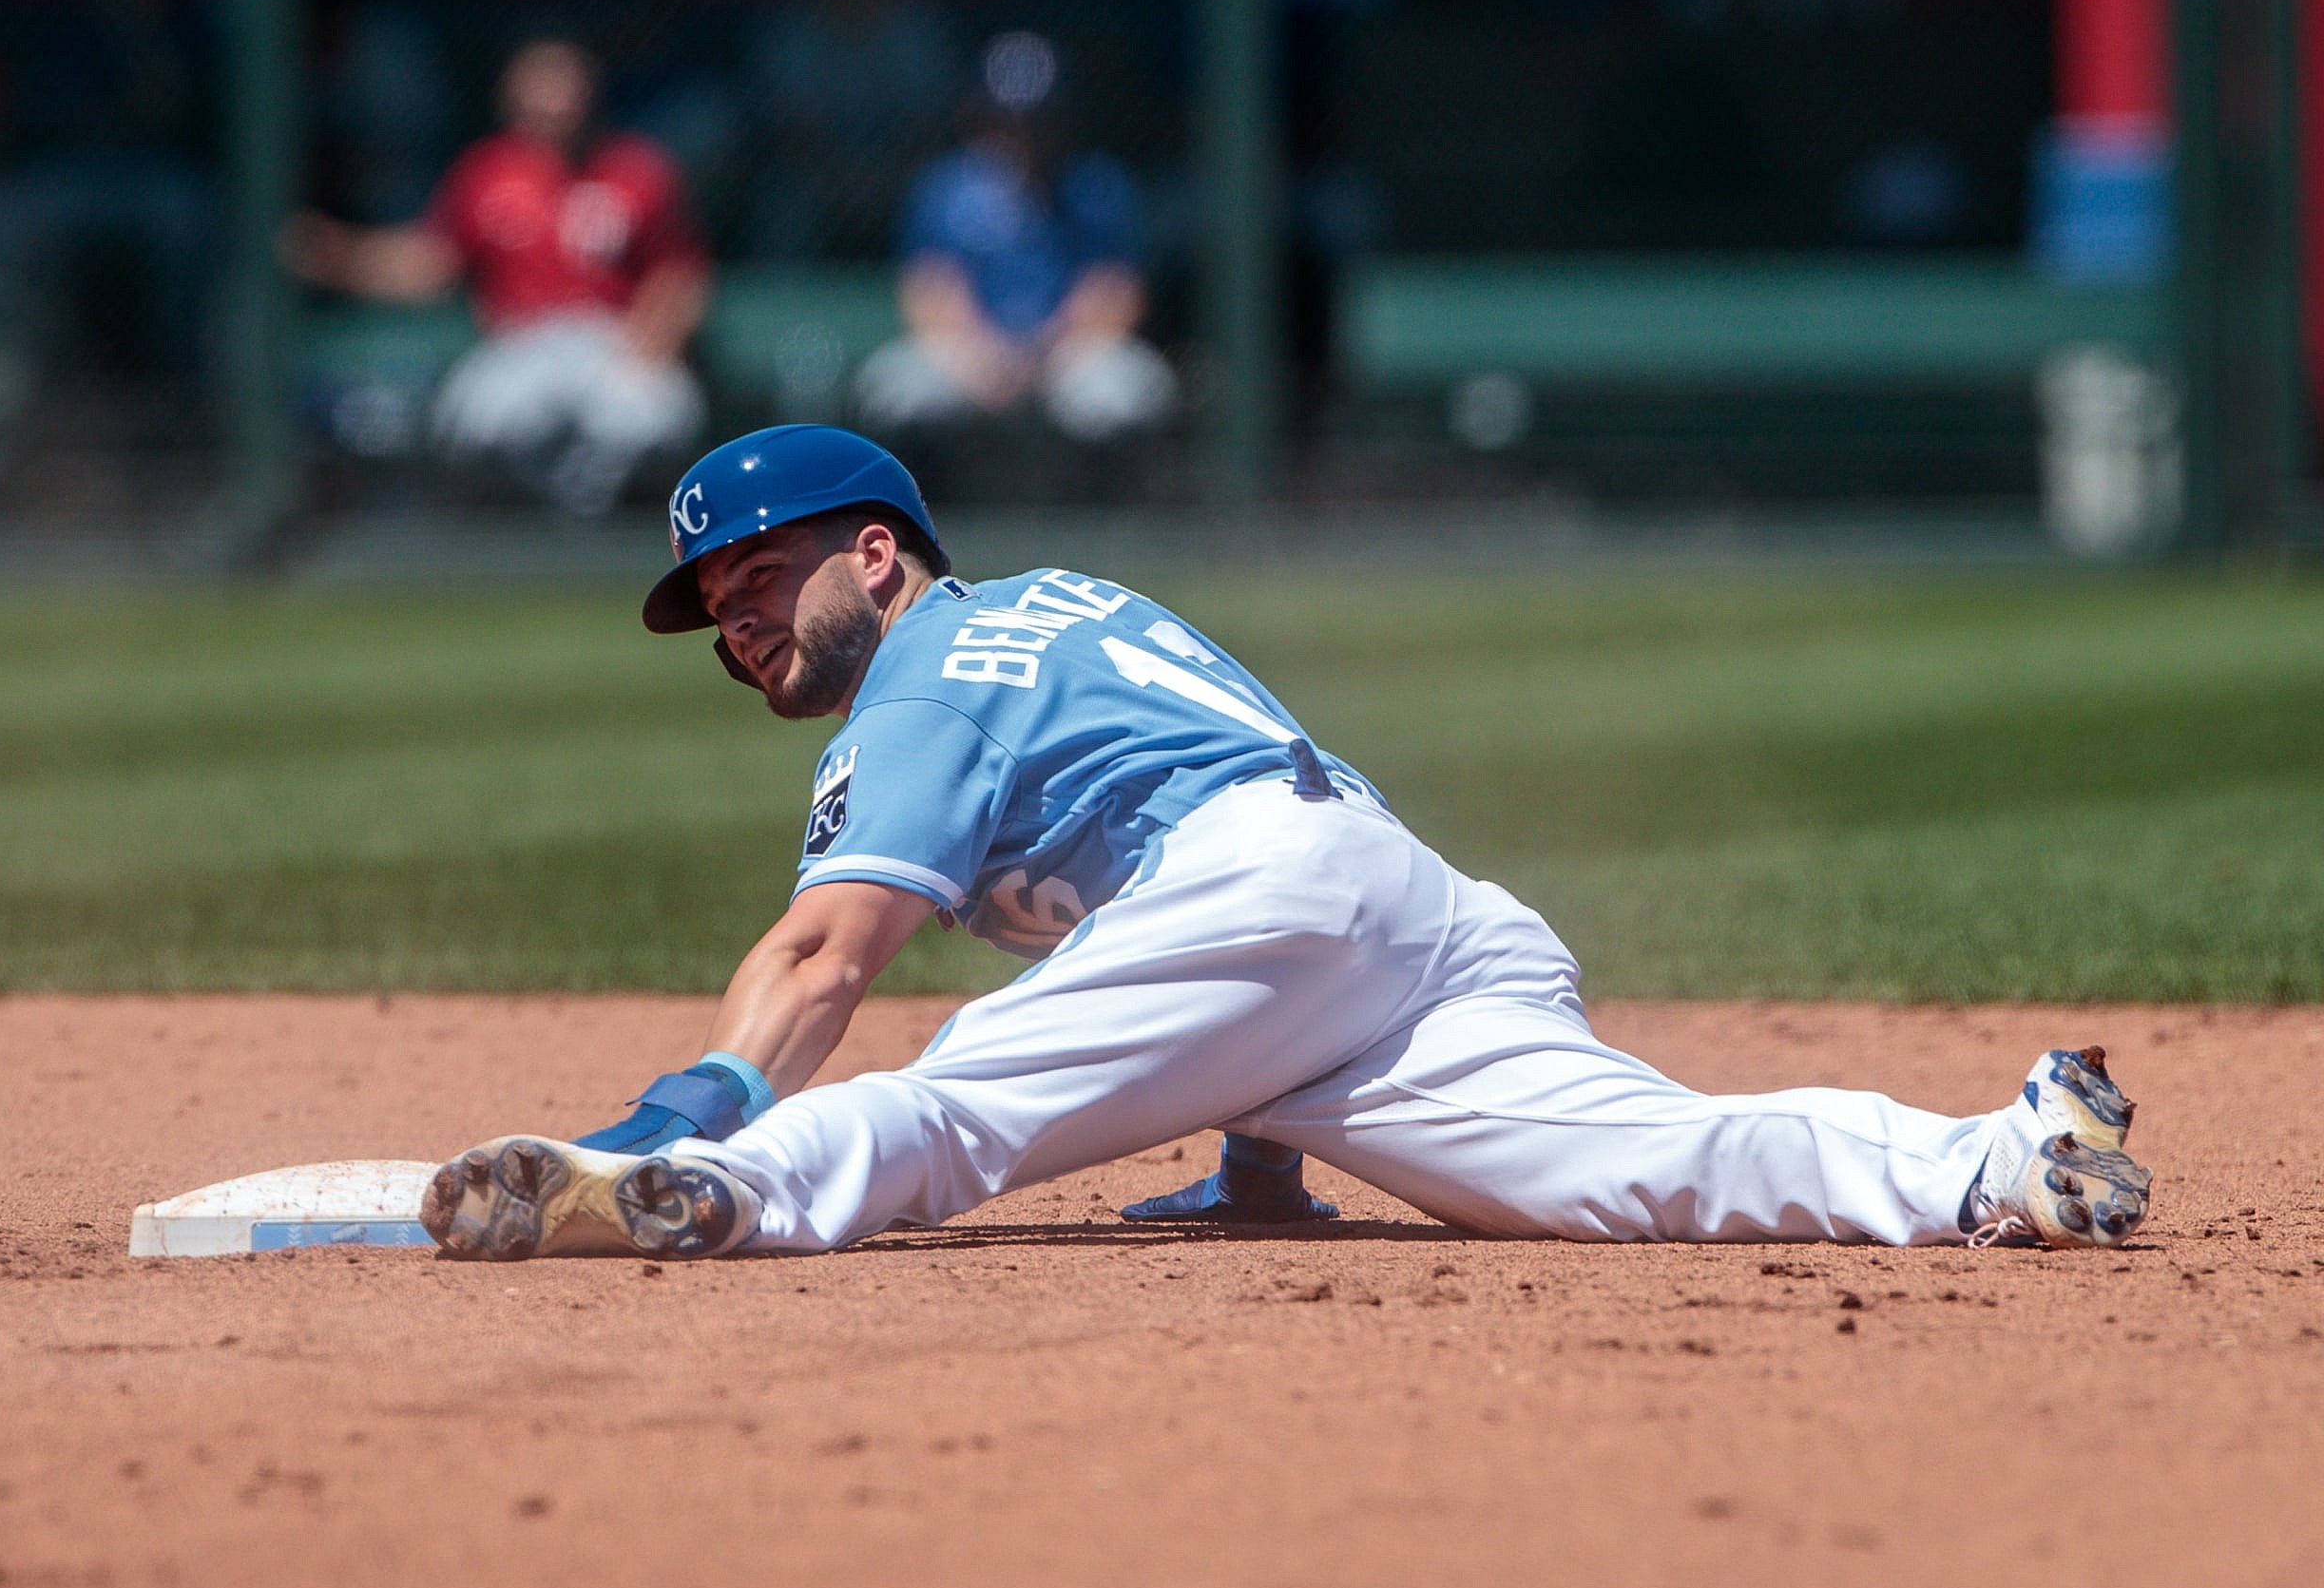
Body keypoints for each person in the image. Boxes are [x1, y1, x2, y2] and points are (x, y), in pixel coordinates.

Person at [418, 425, 2154, 1262]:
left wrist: (676, 1114)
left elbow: (823, 953)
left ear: (878, 554)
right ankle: (1999, 1159)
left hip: (1274, 893)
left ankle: (697, 1196)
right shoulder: (1060, 605)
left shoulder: (932, 676)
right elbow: (1224, 915)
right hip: (1401, 911)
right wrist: (1257, 1163)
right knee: (1651, 1166)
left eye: (759, 575)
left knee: (952, 1103)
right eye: (714, 605)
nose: (736, 620)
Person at [284, 39, 710, 516]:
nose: (553, 109)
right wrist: (341, 255)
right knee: (477, 421)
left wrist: (652, 346)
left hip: (611, 338)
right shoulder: (486, 172)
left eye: (564, 93)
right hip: (521, 342)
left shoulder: (637, 168)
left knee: (652, 420)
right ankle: (530, 524)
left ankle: (597, 520)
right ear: (512, 102)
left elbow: (678, 274)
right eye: (538, 97)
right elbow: (431, 264)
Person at [853, 34, 1177, 446]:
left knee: (1125, 391)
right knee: (898, 388)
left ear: (1063, 120)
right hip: (969, 352)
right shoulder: (946, 189)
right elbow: (928, 292)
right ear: (978, 119)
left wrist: (1046, 353)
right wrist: (984, 359)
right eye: (1006, 119)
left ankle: (1099, 489)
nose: (1022, 134)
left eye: (1037, 120)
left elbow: (1116, 293)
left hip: (1069, 353)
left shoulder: (1098, 186)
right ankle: (928, 488)